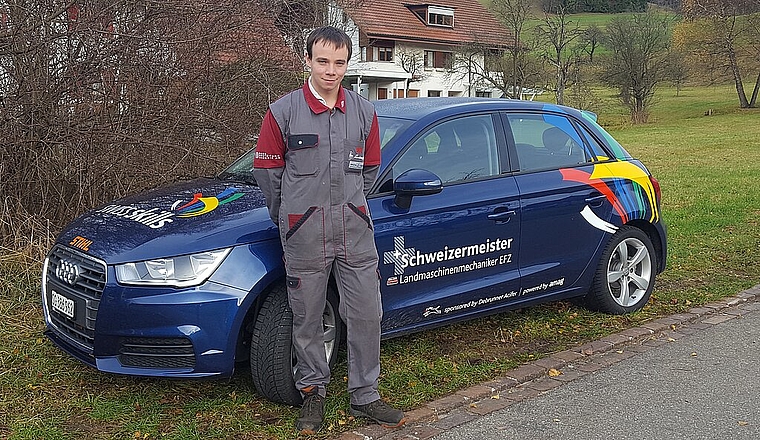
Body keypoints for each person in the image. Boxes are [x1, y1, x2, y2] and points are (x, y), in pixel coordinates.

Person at [252, 26, 405, 435]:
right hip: (304, 236)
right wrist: (292, 218)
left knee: (367, 314)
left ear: (347, 64)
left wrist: (352, 206)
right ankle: (313, 393)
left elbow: (370, 170)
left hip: (354, 233)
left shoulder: (363, 112)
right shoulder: (282, 113)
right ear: (307, 61)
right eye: (323, 61)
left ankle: (365, 395)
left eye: (339, 62)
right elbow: (268, 175)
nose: (331, 70)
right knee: (307, 318)